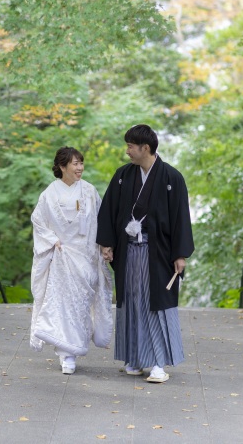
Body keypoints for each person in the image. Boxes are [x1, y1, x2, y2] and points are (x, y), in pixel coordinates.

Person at [96, 124, 194, 383]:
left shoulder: (172, 178)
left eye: (130, 146)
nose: (127, 151)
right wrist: (107, 243)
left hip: (158, 252)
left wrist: (180, 254)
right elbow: (109, 210)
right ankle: (135, 358)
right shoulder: (122, 176)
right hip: (129, 250)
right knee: (131, 303)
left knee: (158, 305)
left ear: (145, 148)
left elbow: (181, 219)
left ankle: (159, 363)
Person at [30, 146, 113, 375]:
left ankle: (73, 348)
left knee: (80, 305)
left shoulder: (88, 191)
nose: (80, 168)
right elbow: (38, 220)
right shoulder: (50, 193)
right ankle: (67, 354)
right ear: (62, 167)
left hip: (85, 256)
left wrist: (104, 246)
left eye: (81, 163)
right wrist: (51, 239)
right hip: (61, 256)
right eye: (75, 164)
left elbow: (101, 221)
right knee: (62, 304)